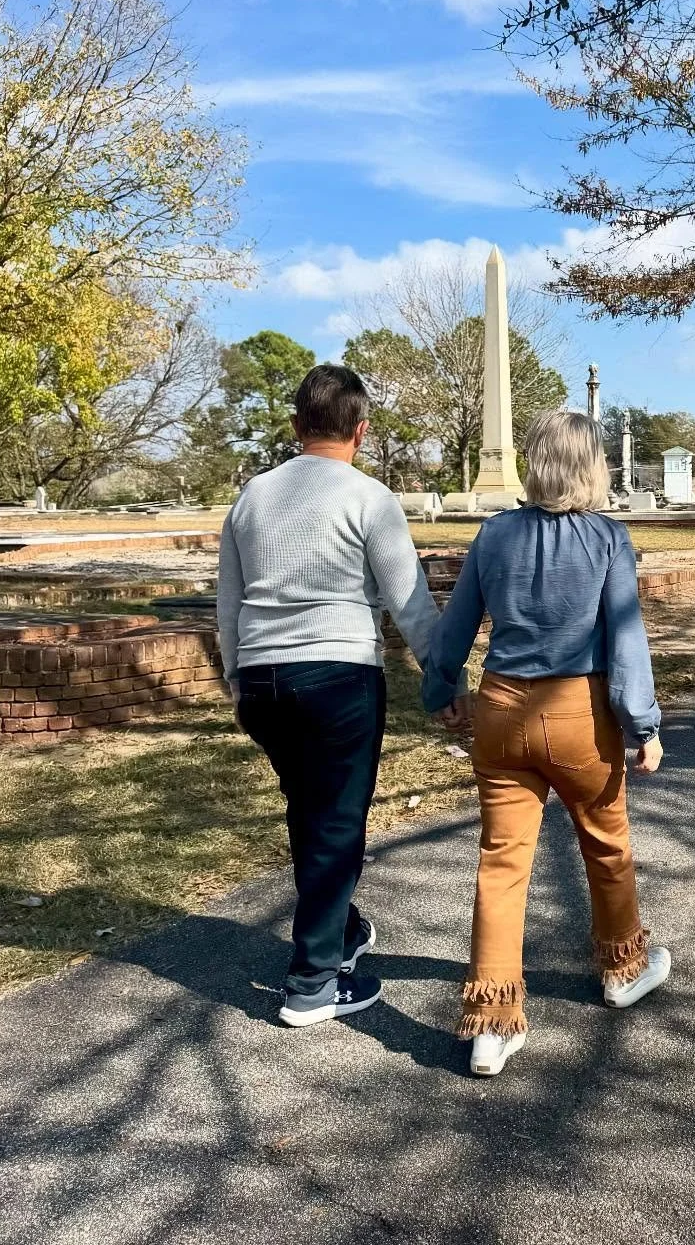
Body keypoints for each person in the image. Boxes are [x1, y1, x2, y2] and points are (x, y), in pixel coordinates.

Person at [422, 410, 668, 1078]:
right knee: (606, 843)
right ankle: (622, 968)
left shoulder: (495, 534)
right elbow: (625, 640)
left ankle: (491, 1024)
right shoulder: (607, 539)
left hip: (501, 708)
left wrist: (441, 686)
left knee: (502, 864)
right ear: (592, 466)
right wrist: (641, 725)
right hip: (577, 713)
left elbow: (458, 625)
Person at [217, 364, 465, 1028]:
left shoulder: (252, 496)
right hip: (337, 672)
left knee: (310, 810)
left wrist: (236, 679)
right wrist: (445, 682)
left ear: (297, 426)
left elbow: (229, 601)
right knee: (334, 821)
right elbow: (409, 602)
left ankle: (342, 929)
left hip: (264, 677)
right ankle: (313, 983)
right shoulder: (369, 497)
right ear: (361, 429)